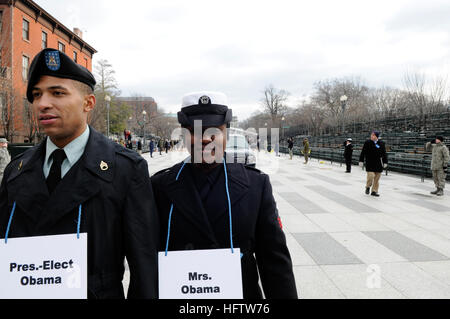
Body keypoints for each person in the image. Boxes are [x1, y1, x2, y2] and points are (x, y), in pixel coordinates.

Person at [0, 49, 159, 299]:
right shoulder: (16, 171)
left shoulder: (126, 169)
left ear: (88, 103)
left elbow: (145, 266)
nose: (42, 103)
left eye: (57, 93)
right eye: (36, 95)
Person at [151, 92, 297, 299]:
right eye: (194, 131)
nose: (205, 139)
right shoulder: (159, 186)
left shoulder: (256, 185)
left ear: (226, 133)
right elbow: (146, 261)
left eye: (214, 131)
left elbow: (274, 263)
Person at [359, 131, 388, 197]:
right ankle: (368, 186)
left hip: (378, 163)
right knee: (371, 176)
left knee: (377, 179)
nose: (371, 136)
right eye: (371, 135)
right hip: (370, 162)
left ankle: (374, 191)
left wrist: (385, 162)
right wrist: (361, 160)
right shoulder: (367, 142)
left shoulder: (381, 143)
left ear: (376, 136)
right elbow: (363, 152)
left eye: (373, 135)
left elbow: (384, 153)